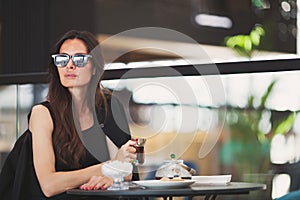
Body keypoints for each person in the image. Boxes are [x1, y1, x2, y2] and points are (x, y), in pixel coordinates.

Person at [0, 30, 138, 200]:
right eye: (62, 59)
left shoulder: (108, 108)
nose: (70, 66)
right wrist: (109, 167)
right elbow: (49, 185)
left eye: (80, 59)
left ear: (95, 67)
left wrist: (109, 177)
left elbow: (127, 169)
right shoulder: (42, 113)